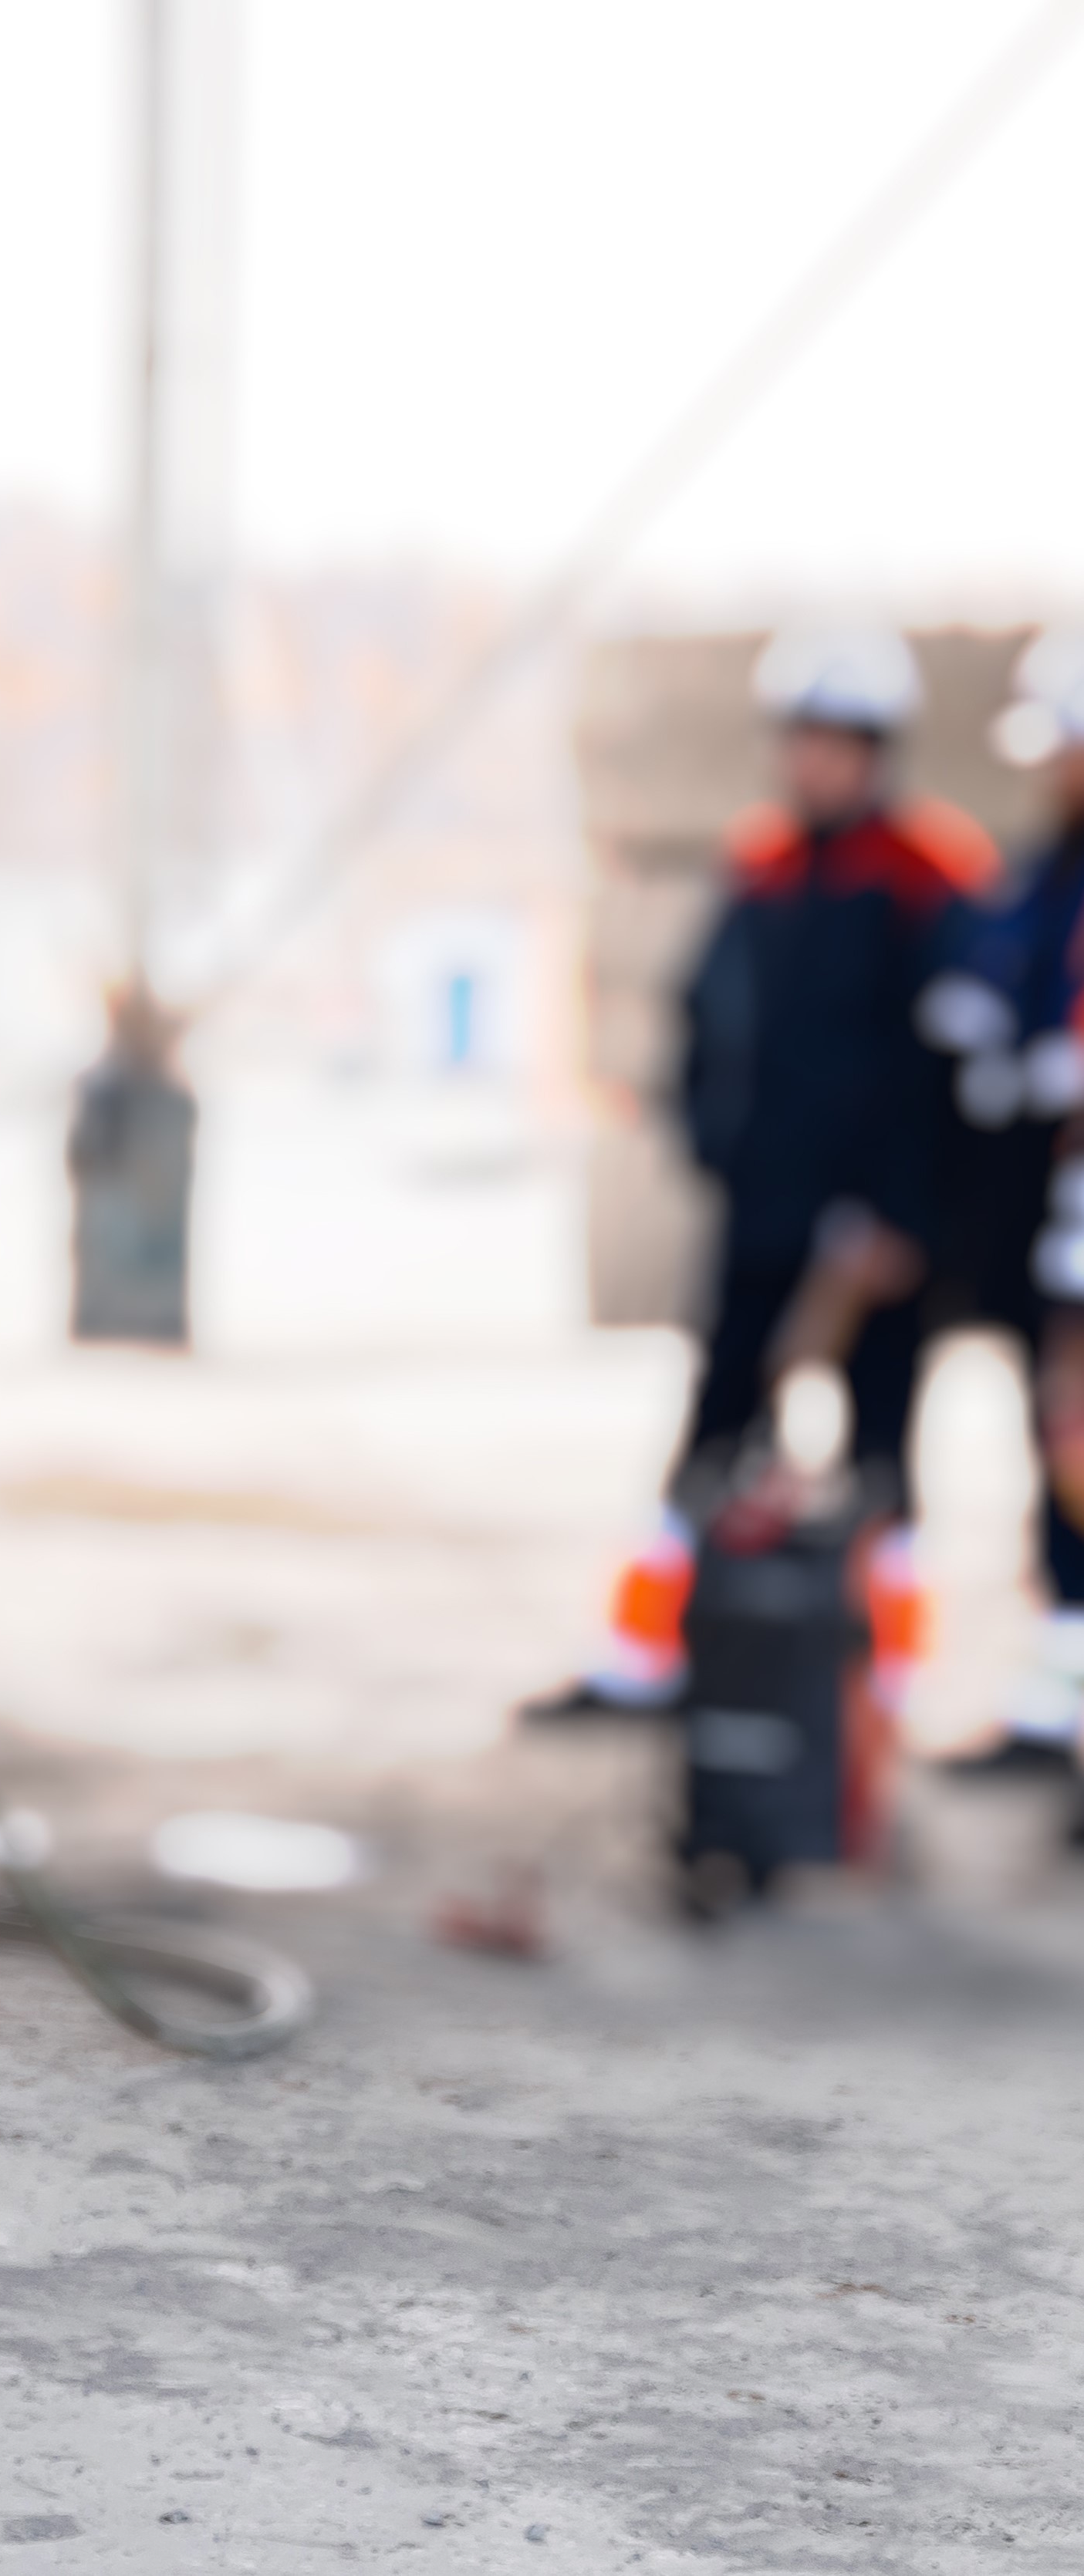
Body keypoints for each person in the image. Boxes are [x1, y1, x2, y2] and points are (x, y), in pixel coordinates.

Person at [542, 629, 992, 1716]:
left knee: (881, 1457)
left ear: (877, 749)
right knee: (713, 1434)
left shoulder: (930, 880)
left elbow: (940, 1073)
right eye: (802, 740)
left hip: (878, 1238)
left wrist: (902, 1217)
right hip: (763, 1215)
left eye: (837, 743)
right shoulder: (762, 869)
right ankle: (650, 1659)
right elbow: (711, 1024)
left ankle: (887, 1684)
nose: (814, 763)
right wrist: (718, 1144)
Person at [918, 631, 1084, 1770]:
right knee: (1065, 1445)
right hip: (1062, 1222)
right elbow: (1001, 946)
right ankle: (1059, 1698)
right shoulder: (1045, 874)